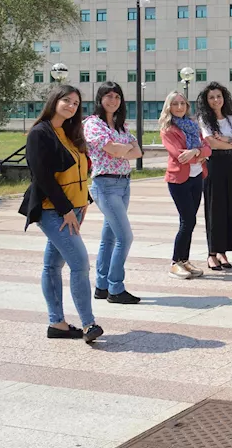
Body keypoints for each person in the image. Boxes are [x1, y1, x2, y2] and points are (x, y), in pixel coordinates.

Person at [18, 84, 104, 344]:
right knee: (80, 263)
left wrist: (84, 202)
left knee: (53, 265)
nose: (71, 106)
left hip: (74, 208)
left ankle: (57, 324)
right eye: (66, 100)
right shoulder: (39, 134)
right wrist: (67, 209)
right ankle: (89, 324)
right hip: (52, 210)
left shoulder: (70, 132)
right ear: (54, 101)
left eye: (76, 103)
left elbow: (78, 172)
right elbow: (42, 177)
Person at [83, 82, 142, 304]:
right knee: (125, 236)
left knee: (109, 237)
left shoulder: (121, 126)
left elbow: (137, 151)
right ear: (100, 99)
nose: (113, 100)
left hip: (124, 184)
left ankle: (102, 286)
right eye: (108, 96)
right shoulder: (92, 124)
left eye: (117, 96)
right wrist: (121, 148)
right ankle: (116, 288)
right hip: (105, 185)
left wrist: (121, 148)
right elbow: (116, 150)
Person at [196, 82, 232, 272]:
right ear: (206, 100)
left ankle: (223, 251)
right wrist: (229, 143)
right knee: (214, 208)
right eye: (211, 97)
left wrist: (226, 140)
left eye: (218, 96)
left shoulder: (230, 119)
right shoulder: (204, 119)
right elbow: (211, 144)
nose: (215, 100)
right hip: (213, 165)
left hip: (230, 164)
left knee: (231, 206)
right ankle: (212, 253)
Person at [160, 91, 211, 280]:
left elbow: (207, 148)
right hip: (178, 180)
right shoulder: (168, 129)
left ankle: (184, 260)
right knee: (188, 220)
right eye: (175, 104)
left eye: (182, 103)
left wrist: (196, 151)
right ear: (169, 107)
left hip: (197, 177)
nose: (179, 107)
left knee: (189, 221)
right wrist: (198, 153)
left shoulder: (193, 125)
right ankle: (175, 262)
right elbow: (178, 154)